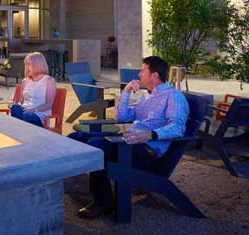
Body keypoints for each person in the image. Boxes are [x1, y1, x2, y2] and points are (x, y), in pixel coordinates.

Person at [75, 55, 189, 218]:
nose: (138, 75)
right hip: (129, 141)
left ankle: (103, 203)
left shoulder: (173, 96)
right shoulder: (145, 95)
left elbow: (178, 127)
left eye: (142, 71)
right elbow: (122, 117)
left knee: (96, 145)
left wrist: (151, 134)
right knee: (79, 135)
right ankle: (65, 171)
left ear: (154, 75)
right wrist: (126, 92)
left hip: (146, 150)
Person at [10, 52, 57, 127]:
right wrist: (15, 103)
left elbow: (48, 104)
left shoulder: (49, 80)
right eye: (25, 64)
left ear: (37, 65)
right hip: (25, 111)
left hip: (39, 115)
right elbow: (21, 102)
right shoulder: (25, 81)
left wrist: (33, 110)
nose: (26, 67)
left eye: (29, 64)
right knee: (15, 108)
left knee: (24, 118)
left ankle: (17, 131)